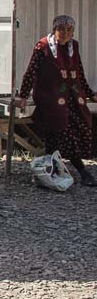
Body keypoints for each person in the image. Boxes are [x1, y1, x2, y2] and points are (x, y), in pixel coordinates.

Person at [15, 15, 97, 186]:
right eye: (62, 29)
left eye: (69, 30)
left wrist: (89, 93)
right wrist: (23, 96)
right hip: (49, 94)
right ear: (55, 30)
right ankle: (81, 171)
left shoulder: (73, 46)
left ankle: (52, 167)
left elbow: (79, 72)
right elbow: (31, 72)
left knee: (83, 121)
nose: (65, 33)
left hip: (72, 93)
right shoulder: (43, 46)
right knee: (61, 125)